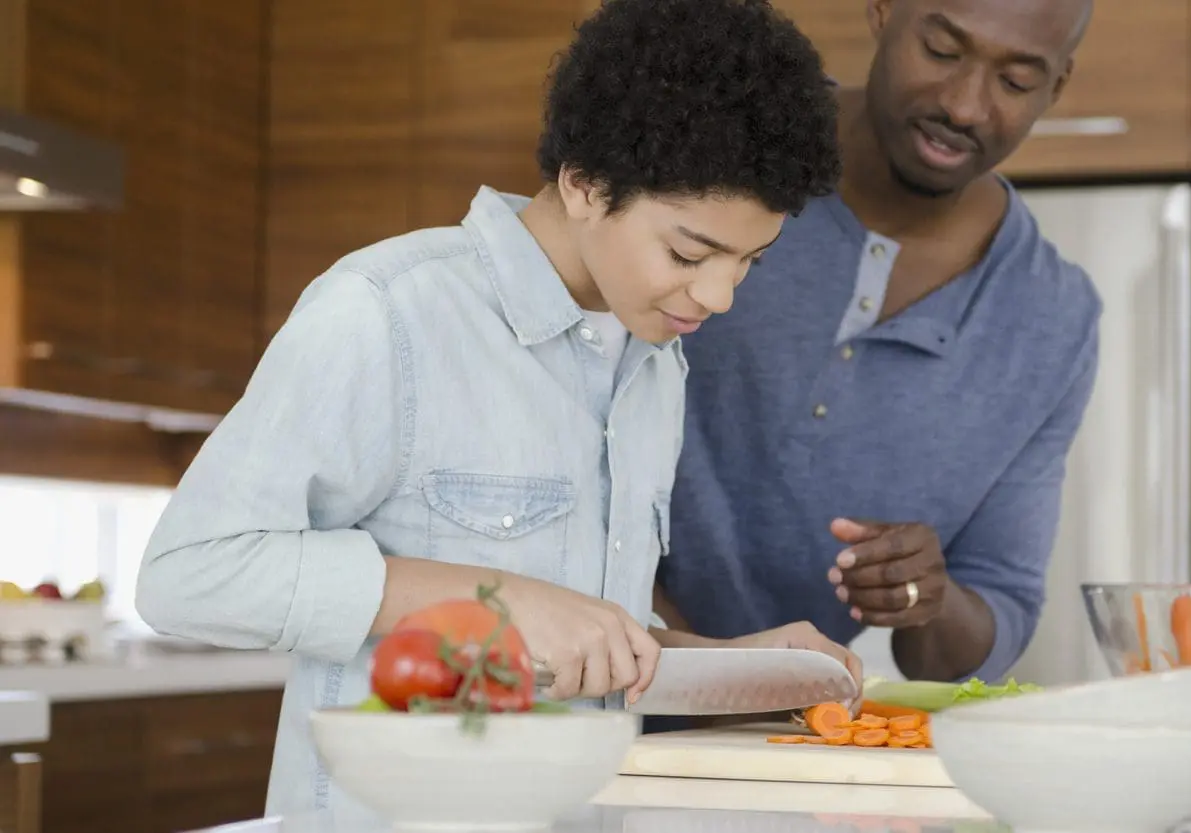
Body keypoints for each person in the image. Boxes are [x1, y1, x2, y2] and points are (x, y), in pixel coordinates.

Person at [133, 0, 861, 821]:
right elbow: (188, 575)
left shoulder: (655, 357)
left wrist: (734, 663)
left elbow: (576, 638)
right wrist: (493, 596)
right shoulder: (385, 312)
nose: (719, 295)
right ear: (585, 185)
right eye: (690, 253)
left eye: (749, 262)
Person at [655, 0, 1101, 688]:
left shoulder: (1053, 318)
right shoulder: (717, 141)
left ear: (1059, 85)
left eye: (1014, 82)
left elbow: (998, 610)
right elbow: (563, 421)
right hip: (575, 701)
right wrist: (694, 671)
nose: (965, 106)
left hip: (791, 741)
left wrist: (928, 596)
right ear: (883, 11)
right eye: (943, 51)